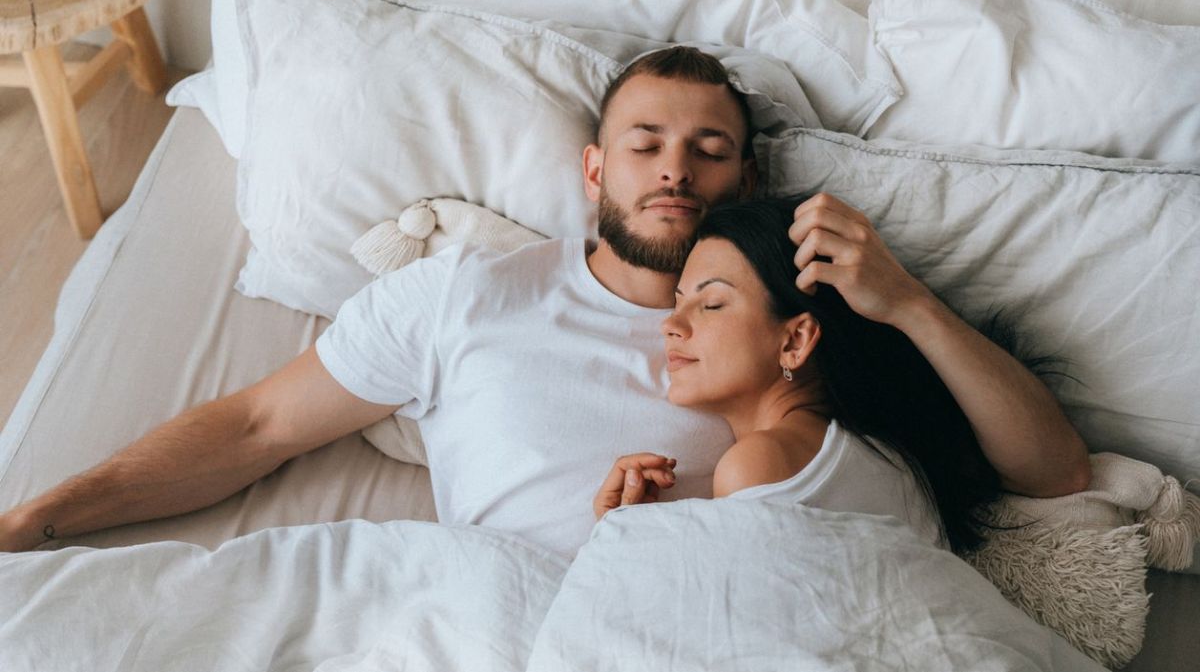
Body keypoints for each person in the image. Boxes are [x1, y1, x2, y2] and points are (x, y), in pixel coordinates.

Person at [0, 47, 1090, 557]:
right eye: (645, 145)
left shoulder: (811, 321)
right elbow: (252, 426)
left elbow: (1053, 472)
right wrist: (38, 518)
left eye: (709, 151)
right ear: (592, 173)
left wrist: (908, 305)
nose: (675, 169)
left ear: (744, 182)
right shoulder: (465, 294)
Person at [594, 199, 1013, 552]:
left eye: (713, 303)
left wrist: (625, 540)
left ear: (795, 342)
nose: (671, 325)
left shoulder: (758, 463)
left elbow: (738, 628)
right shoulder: (874, 451)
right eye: (678, 302)